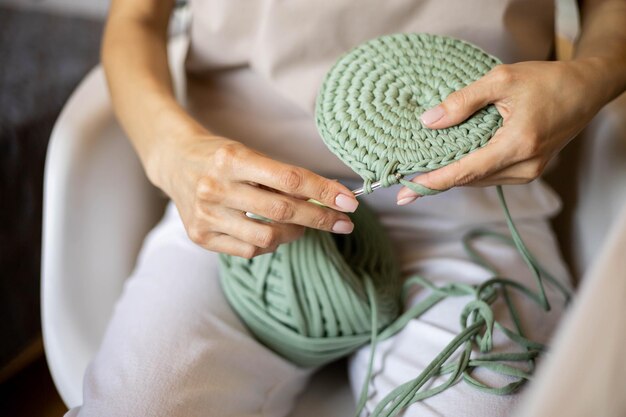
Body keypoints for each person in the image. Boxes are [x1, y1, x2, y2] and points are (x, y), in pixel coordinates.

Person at [67, 0, 626, 416]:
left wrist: (594, 73)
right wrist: (174, 154)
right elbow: (136, 19)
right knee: (136, 403)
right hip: (240, 196)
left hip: (473, 199)